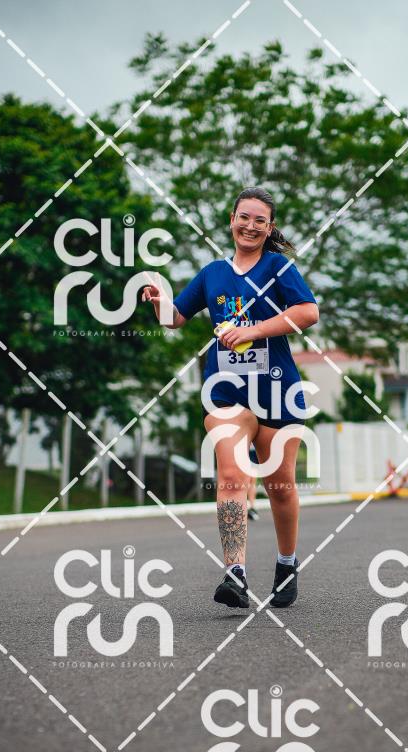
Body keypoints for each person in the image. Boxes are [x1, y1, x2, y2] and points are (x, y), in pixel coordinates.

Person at [143, 186, 319, 610]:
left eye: (260, 220)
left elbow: (308, 312)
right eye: (245, 217)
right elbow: (176, 318)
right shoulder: (213, 273)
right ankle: (235, 573)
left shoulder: (278, 267)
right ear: (231, 220)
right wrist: (159, 302)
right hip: (225, 391)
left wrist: (253, 330)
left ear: (269, 228)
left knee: (280, 486)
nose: (250, 226)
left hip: (276, 389)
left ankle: (287, 562)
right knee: (232, 476)